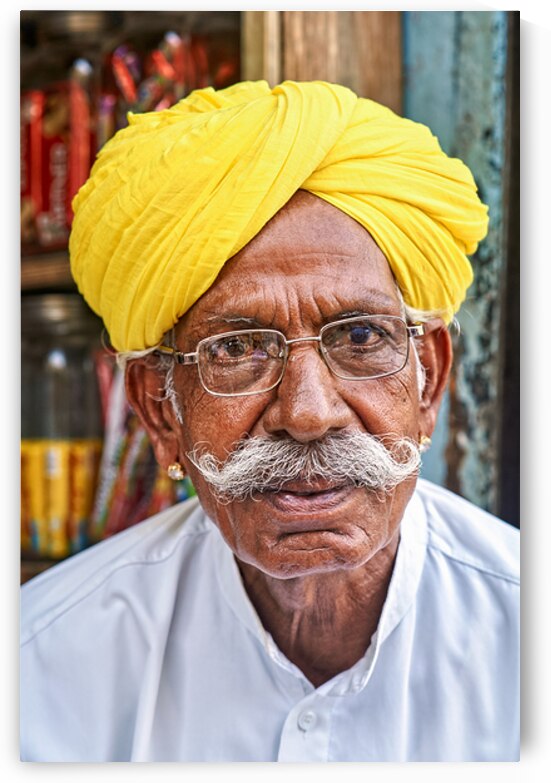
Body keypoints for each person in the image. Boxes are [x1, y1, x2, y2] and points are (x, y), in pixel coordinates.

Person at [20, 80, 519, 762]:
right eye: (236, 348)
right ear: (159, 406)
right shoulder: (38, 667)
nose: (309, 413)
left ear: (427, 375)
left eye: (361, 337)